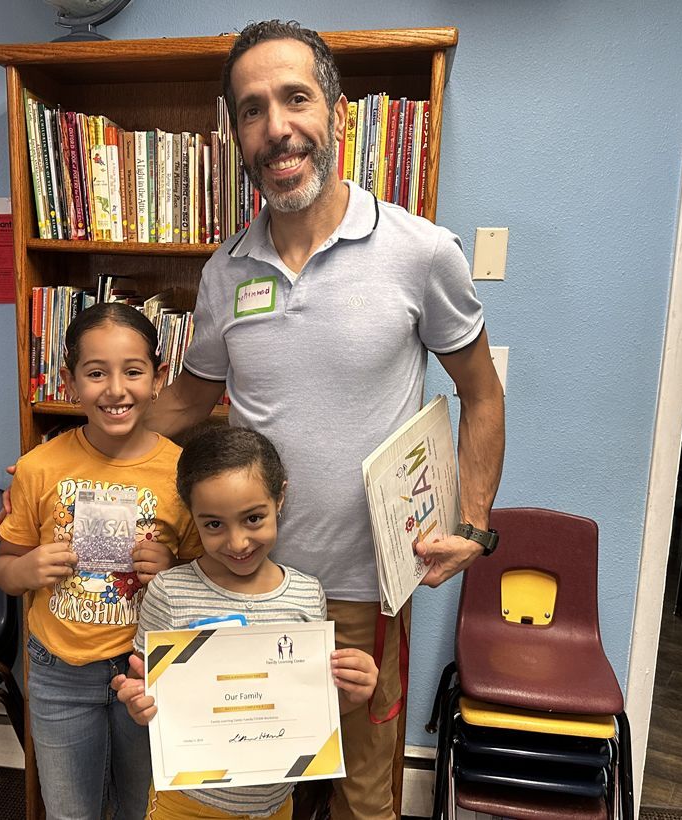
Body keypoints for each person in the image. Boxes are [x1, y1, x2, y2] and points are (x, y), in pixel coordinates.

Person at [145, 21, 506, 819]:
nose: (276, 127)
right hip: (239, 581)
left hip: (362, 594)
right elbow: (182, 406)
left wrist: (473, 523)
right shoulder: (224, 271)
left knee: (362, 800)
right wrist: (72, 466)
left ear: (336, 114)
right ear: (235, 132)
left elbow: (482, 394)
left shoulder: (422, 252)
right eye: (251, 109)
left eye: (295, 98)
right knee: (244, 792)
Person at [0, 302, 202, 820]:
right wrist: (27, 569)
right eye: (95, 373)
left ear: (158, 377)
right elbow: (4, 567)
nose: (115, 389)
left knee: (143, 807)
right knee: (69, 811)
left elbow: (207, 579)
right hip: (59, 671)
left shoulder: (182, 472)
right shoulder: (39, 467)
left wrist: (173, 568)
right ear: (68, 381)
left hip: (151, 668)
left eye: (133, 371)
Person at [112, 426, 379, 819]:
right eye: (214, 525)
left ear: (280, 499)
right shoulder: (169, 594)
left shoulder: (307, 595)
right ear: (193, 516)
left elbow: (306, 709)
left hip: (276, 807)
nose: (238, 543)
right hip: (186, 807)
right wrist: (139, 705)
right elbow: (148, 698)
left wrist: (351, 694)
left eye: (253, 518)